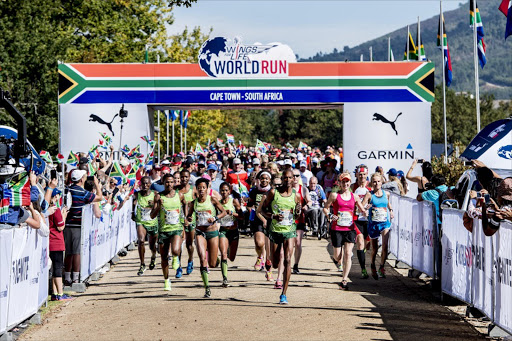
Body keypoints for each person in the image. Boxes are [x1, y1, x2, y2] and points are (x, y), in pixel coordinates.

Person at [258, 169, 301, 304]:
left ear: (294, 179)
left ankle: (284, 293)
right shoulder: (273, 193)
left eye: (290, 178)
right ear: (282, 179)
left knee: (288, 259)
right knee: (276, 263)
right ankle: (270, 263)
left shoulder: (296, 195)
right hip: (275, 230)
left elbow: (297, 216)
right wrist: (273, 216)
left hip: (290, 230)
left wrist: (298, 212)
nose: (288, 180)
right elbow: (263, 211)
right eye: (285, 178)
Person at [323, 172, 367, 290]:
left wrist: (365, 212)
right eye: (343, 182)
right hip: (337, 228)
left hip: (350, 228)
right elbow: (325, 208)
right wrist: (331, 215)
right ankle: (337, 260)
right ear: (339, 183)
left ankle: (344, 280)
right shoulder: (334, 195)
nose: (345, 184)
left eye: (347, 181)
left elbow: (362, 209)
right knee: (337, 256)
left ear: (350, 182)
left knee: (348, 253)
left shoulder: (355, 196)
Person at [185, 178, 226, 298]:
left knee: (212, 264)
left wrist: (215, 218)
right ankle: (207, 288)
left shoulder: (212, 200)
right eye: (199, 188)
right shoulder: (194, 203)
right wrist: (189, 219)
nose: (201, 190)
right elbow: (188, 216)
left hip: (212, 232)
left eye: (204, 187)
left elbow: (223, 212)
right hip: (200, 232)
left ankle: (216, 259)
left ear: (207, 189)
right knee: (203, 258)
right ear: (196, 189)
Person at [64, 169, 103, 286]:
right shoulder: (82, 192)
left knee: (69, 252)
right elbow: (100, 197)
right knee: (76, 252)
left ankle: (67, 276)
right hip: (77, 226)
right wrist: (97, 184)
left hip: (67, 224)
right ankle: (75, 277)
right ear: (81, 179)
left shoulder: (67, 190)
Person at [150, 173, 188, 291]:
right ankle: (167, 280)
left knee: (176, 249)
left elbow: (185, 204)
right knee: (164, 257)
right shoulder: (158, 197)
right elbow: (152, 215)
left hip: (176, 228)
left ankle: (176, 258)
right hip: (163, 230)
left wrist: (185, 217)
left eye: (171, 182)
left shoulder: (179, 195)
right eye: (167, 182)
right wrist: (158, 206)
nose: (169, 184)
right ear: (163, 182)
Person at [362, 173, 394, 280]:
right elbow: (361, 207)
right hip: (373, 224)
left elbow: (387, 203)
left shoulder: (387, 194)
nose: (377, 183)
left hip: (385, 223)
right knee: (374, 249)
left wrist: (391, 210)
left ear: (382, 182)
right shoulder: (369, 195)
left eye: (379, 181)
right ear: (371, 183)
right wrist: (366, 209)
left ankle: (381, 267)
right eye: (374, 181)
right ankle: (372, 265)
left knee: (385, 246)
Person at [47, 188, 72, 301]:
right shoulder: (55, 210)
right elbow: (60, 227)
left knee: (54, 268)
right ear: (55, 196)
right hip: (56, 241)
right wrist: (64, 216)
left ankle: (55, 293)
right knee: (57, 268)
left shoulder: (47, 208)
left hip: (50, 242)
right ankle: (60, 293)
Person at [132, 176, 159, 276]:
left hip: (152, 222)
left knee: (152, 246)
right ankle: (142, 264)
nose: (145, 185)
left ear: (150, 184)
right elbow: (133, 203)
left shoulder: (155, 194)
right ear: (140, 184)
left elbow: (159, 208)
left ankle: (153, 256)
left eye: (147, 183)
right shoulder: (137, 194)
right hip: (141, 221)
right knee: (141, 241)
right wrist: (132, 213)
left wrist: (155, 204)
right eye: (143, 184)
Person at [247, 171, 272, 276]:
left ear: (270, 180)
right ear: (259, 179)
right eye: (262, 178)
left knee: (269, 247)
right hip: (258, 220)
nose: (264, 180)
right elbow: (249, 204)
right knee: (259, 243)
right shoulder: (254, 191)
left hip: (270, 220)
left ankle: (268, 269)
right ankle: (259, 256)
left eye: (266, 178)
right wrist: (251, 211)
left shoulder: (272, 191)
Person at [218, 182, 242, 287]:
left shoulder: (234, 201)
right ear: (220, 191)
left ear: (229, 191)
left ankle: (228, 250)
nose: (224, 192)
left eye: (226, 190)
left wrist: (232, 213)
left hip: (234, 231)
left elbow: (242, 216)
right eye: (222, 190)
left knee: (231, 258)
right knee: (223, 254)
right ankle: (225, 278)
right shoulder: (217, 203)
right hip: (223, 231)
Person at [350, 164, 372, 278]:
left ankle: (361, 256)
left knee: (366, 246)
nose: (362, 176)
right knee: (360, 242)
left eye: (364, 174)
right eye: (360, 174)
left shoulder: (370, 187)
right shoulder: (353, 187)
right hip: (356, 219)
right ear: (357, 175)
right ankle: (363, 269)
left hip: (368, 220)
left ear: (367, 174)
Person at [292, 168, 312, 274]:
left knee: (298, 242)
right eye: (293, 176)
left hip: (299, 219)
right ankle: (286, 262)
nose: (294, 178)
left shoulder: (303, 189)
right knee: (288, 243)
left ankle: (296, 264)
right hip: (287, 220)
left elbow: (309, 201)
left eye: (297, 176)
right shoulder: (287, 189)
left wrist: (306, 206)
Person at [179, 170, 197, 275]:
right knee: (179, 244)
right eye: (182, 177)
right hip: (179, 220)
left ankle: (190, 260)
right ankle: (179, 266)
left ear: (189, 177)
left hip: (191, 220)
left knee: (189, 245)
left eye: (186, 177)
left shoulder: (193, 190)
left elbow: (198, 202)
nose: (184, 179)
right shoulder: (177, 190)